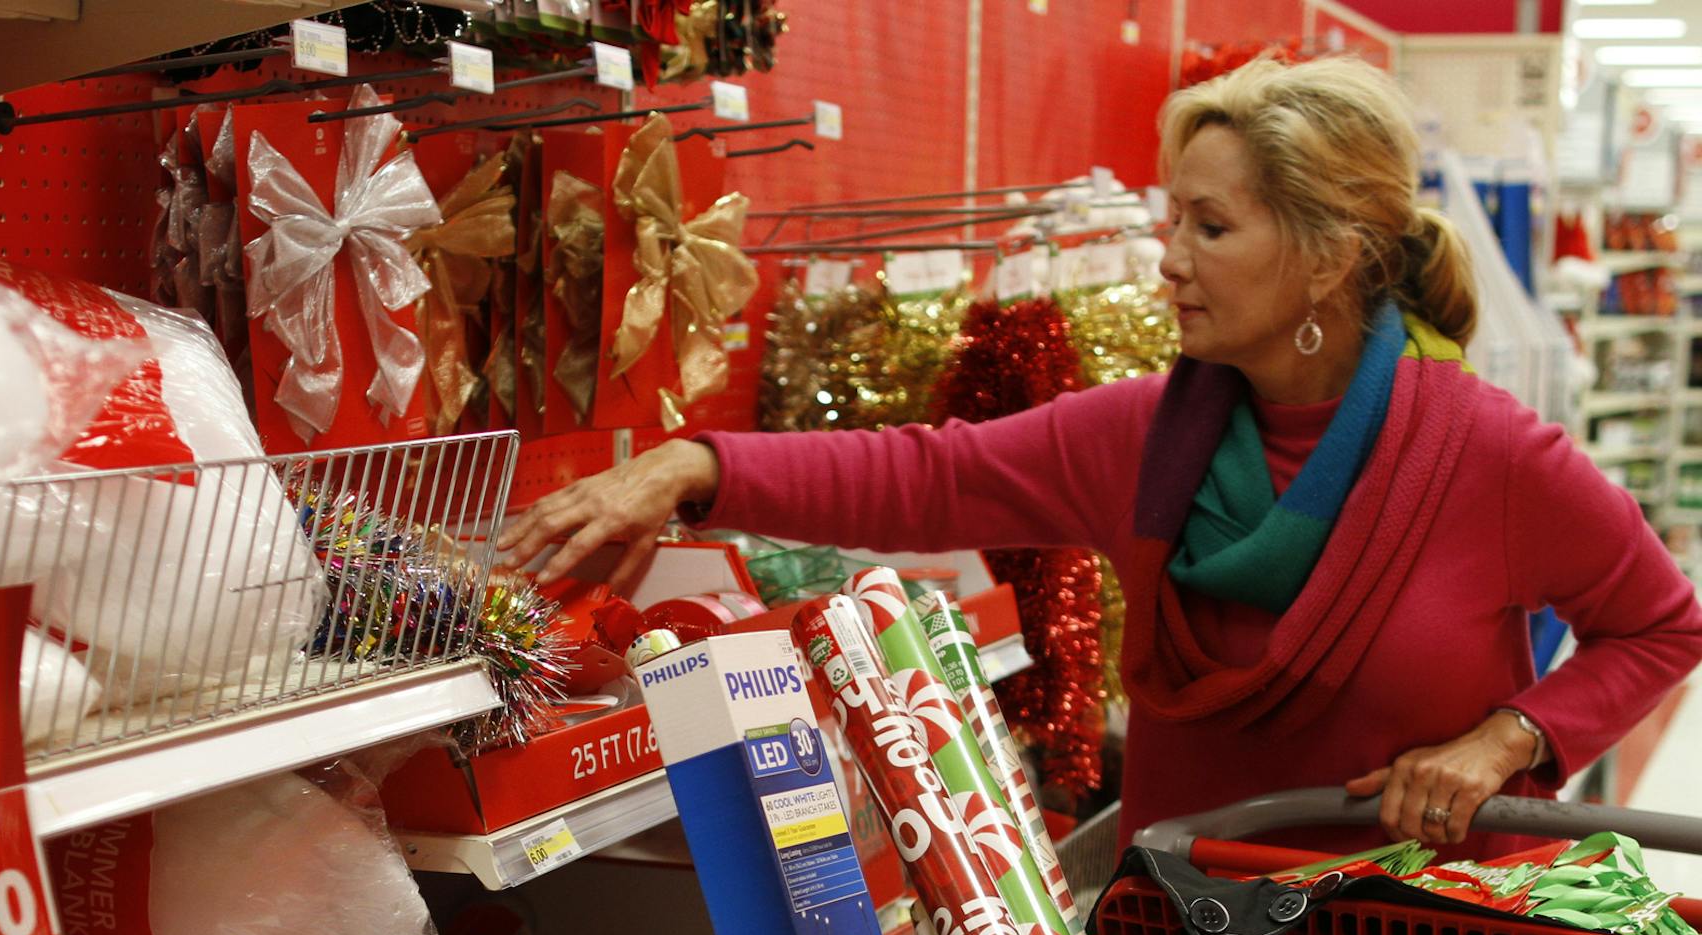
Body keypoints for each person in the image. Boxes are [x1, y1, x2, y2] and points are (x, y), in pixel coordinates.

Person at [498, 54, 1702, 849]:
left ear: (1328, 256)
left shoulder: (1486, 454)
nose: (1167, 255)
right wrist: (693, 465)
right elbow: (927, 473)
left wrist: (1509, 735)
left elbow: (1664, 625)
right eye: (1170, 215)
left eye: (1210, 225)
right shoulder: (1146, 433)